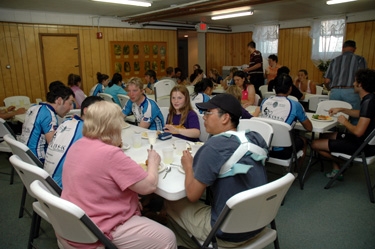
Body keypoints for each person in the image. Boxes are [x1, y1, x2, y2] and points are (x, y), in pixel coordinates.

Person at [60, 101, 177, 249]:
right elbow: (150, 185)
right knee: (167, 238)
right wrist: (153, 162)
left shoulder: (78, 145)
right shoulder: (109, 154)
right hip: (97, 229)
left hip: (72, 222)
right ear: (113, 125)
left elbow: (99, 184)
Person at [164, 93, 268, 248]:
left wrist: (187, 166)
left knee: (171, 201)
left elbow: (193, 195)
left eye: (208, 113)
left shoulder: (213, 147)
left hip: (228, 232)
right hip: (260, 221)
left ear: (225, 118)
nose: (203, 117)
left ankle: (186, 243)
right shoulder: (255, 137)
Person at [312, 68, 375, 180]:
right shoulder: (370, 99)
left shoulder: (368, 102)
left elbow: (358, 132)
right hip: (365, 143)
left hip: (362, 147)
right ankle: (337, 168)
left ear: (360, 84)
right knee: (325, 135)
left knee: (314, 144)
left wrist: (345, 122)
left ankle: (343, 162)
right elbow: (361, 114)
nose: (353, 83)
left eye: (355, 81)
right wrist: (341, 109)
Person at [44, 96, 103, 188]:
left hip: (47, 183)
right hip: (62, 188)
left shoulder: (67, 122)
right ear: (86, 111)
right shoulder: (86, 130)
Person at [260, 74, 312, 170]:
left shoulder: (265, 101)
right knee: (304, 140)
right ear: (290, 89)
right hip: (282, 151)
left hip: (263, 147)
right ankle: (295, 171)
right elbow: (309, 128)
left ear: (274, 88)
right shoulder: (295, 105)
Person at [19, 82, 75, 162]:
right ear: (59, 100)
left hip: (24, 156)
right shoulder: (48, 114)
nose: (71, 108)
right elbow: (54, 144)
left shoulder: (34, 108)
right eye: (70, 103)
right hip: (37, 160)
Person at [324, 40, 367, 114]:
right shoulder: (359, 59)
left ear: (343, 48)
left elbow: (327, 80)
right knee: (354, 116)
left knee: (334, 115)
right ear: (354, 49)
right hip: (351, 91)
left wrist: (331, 89)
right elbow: (363, 78)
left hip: (335, 91)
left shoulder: (334, 60)